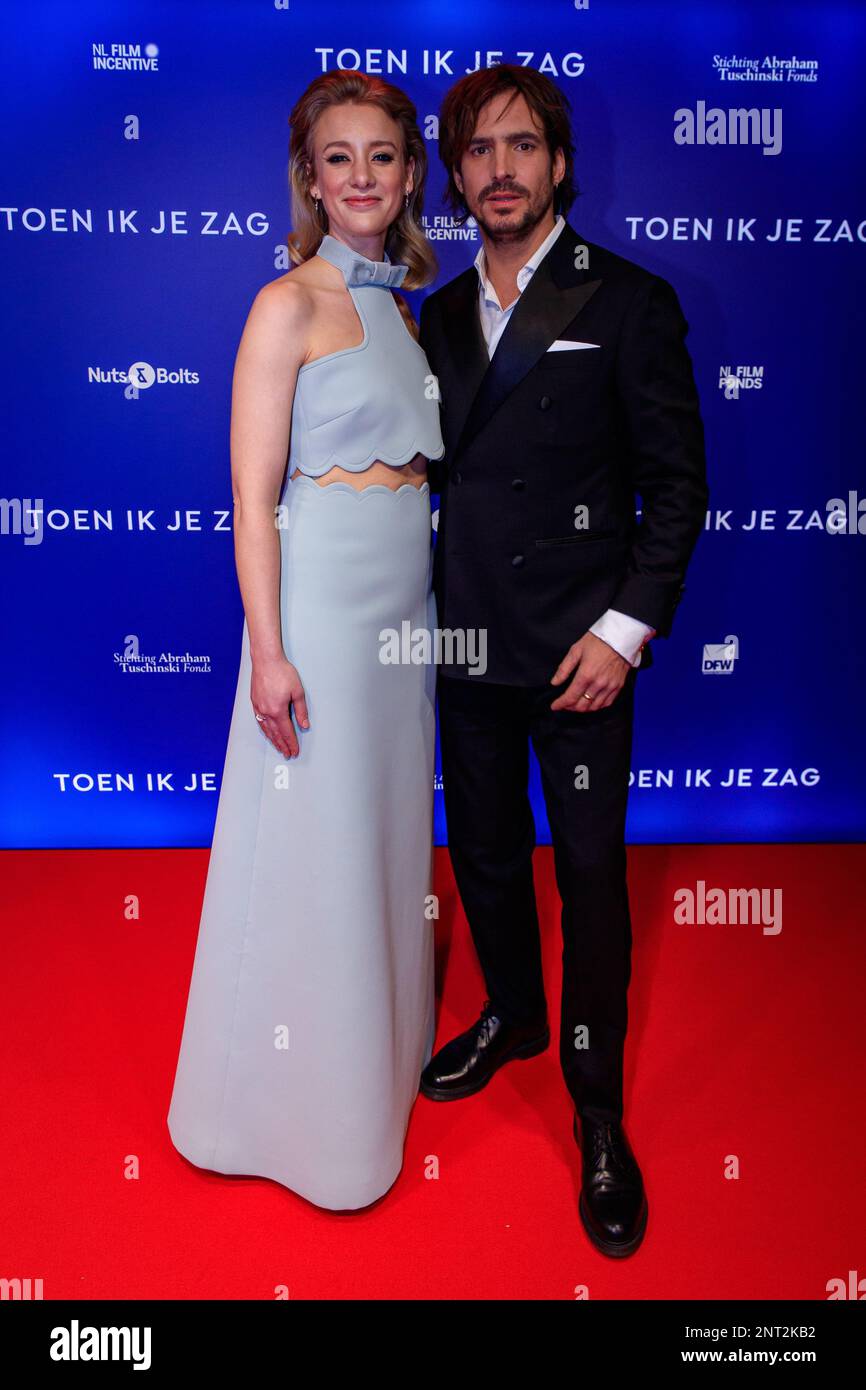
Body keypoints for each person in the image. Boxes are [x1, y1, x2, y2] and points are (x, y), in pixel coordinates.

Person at [418, 65, 709, 1256]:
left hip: (581, 657)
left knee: (588, 884)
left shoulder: (630, 301)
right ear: (455, 173)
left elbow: (677, 487)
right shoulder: (431, 317)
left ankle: (596, 1113)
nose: (498, 169)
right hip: (468, 642)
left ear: (556, 163)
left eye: (519, 147)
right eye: (477, 151)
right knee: (484, 853)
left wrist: (621, 633)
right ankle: (511, 1018)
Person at [167, 70, 445, 1211]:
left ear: (407, 174)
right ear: (310, 178)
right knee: (316, 837)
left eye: (381, 156)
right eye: (339, 159)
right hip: (322, 607)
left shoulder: (404, 303)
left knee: (378, 827)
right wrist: (269, 652)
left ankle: (380, 1054)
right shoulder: (284, 304)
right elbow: (251, 498)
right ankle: (291, 1114)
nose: (361, 178)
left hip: (406, 608)